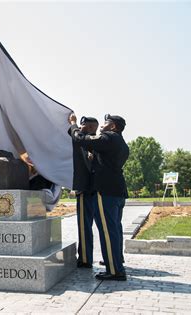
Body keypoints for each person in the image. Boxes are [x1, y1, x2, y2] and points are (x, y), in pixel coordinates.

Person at [69, 113, 129, 281]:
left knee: (108, 232)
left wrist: (73, 125)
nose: (102, 125)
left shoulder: (109, 137)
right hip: (117, 191)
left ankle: (115, 271)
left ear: (113, 127)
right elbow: (106, 159)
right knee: (114, 230)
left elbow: (80, 139)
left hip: (106, 191)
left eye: (106, 122)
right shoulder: (121, 143)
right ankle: (116, 265)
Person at [67, 116, 99, 268]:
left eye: (83, 125)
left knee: (85, 227)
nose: (80, 126)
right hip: (97, 191)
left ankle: (85, 259)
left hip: (86, 190)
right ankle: (112, 257)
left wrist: (73, 123)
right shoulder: (98, 140)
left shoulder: (84, 140)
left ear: (91, 128)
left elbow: (75, 135)